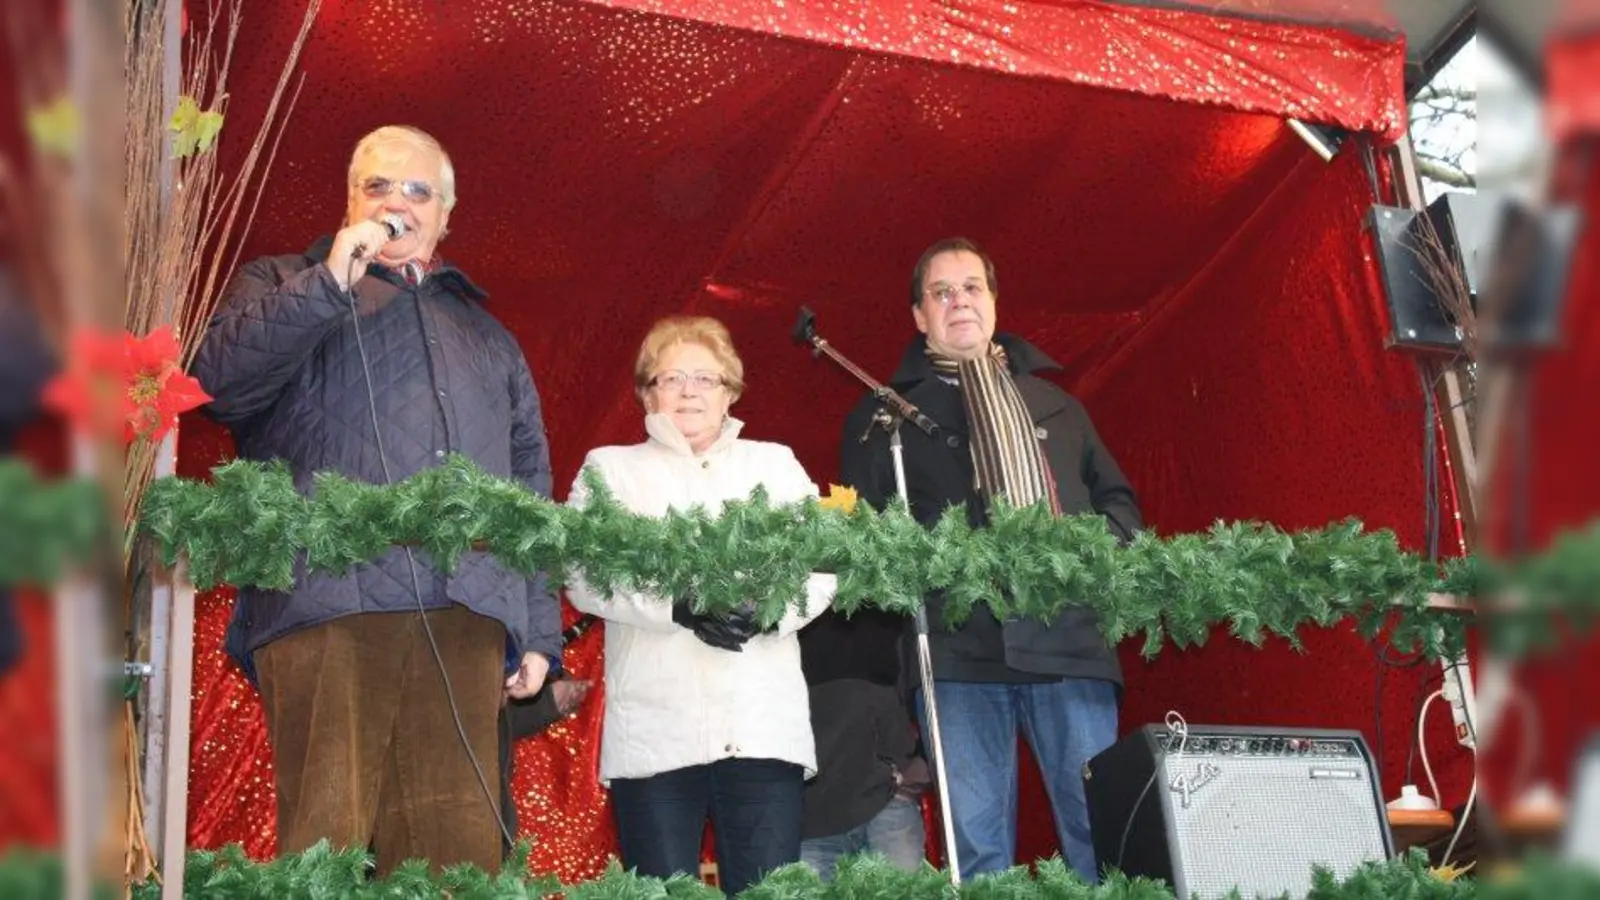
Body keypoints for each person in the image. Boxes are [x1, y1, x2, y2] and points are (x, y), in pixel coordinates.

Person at [192, 125, 561, 875]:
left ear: (446, 216)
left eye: (419, 190)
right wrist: (329, 283)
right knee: (323, 853)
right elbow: (215, 382)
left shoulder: (490, 338)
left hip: (465, 614)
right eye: (379, 186)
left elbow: (530, 492)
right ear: (351, 201)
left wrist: (540, 633)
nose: (399, 202)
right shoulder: (286, 282)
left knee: (456, 861)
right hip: (326, 602)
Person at [837, 237, 1142, 883]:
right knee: (977, 849)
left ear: (994, 303)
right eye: (940, 292)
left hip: (1070, 643)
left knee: (1101, 834)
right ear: (920, 317)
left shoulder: (1058, 406)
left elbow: (1118, 503)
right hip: (955, 654)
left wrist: (1090, 556)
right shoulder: (881, 418)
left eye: (971, 287)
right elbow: (867, 542)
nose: (959, 301)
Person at [564, 315, 835, 896]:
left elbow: (824, 566)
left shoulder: (776, 465)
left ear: (730, 392)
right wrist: (676, 607)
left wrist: (769, 611)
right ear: (646, 393)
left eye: (706, 379)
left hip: (762, 731)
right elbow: (583, 575)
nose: (689, 391)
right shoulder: (609, 470)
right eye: (672, 377)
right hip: (656, 740)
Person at [797, 607, 928, 878]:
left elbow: (928, 676)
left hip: (889, 797)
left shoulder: (886, 592)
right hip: (810, 813)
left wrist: (923, 763)